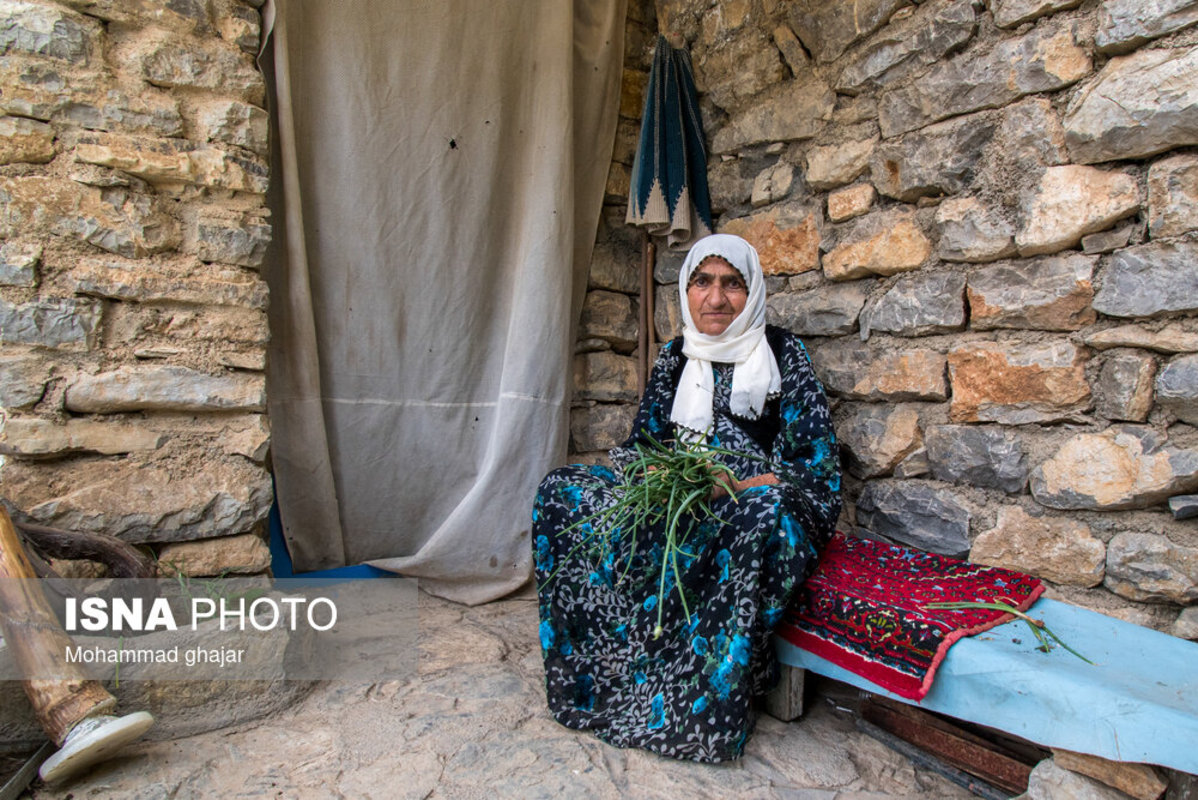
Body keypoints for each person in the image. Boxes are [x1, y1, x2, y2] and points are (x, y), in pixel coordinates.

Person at [532, 233, 841, 762]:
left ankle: (695, 706)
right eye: (703, 282)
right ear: (687, 290)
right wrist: (669, 474)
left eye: (732, 284)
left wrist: (738, 485)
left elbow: (815, 473)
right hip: (678, 495)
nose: (716, 299)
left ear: (753, 292)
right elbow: (639, 447)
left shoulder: (783, 354)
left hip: (752, 504)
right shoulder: (677, 357)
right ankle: (606, 677)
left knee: (757, 517)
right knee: (562, 491)